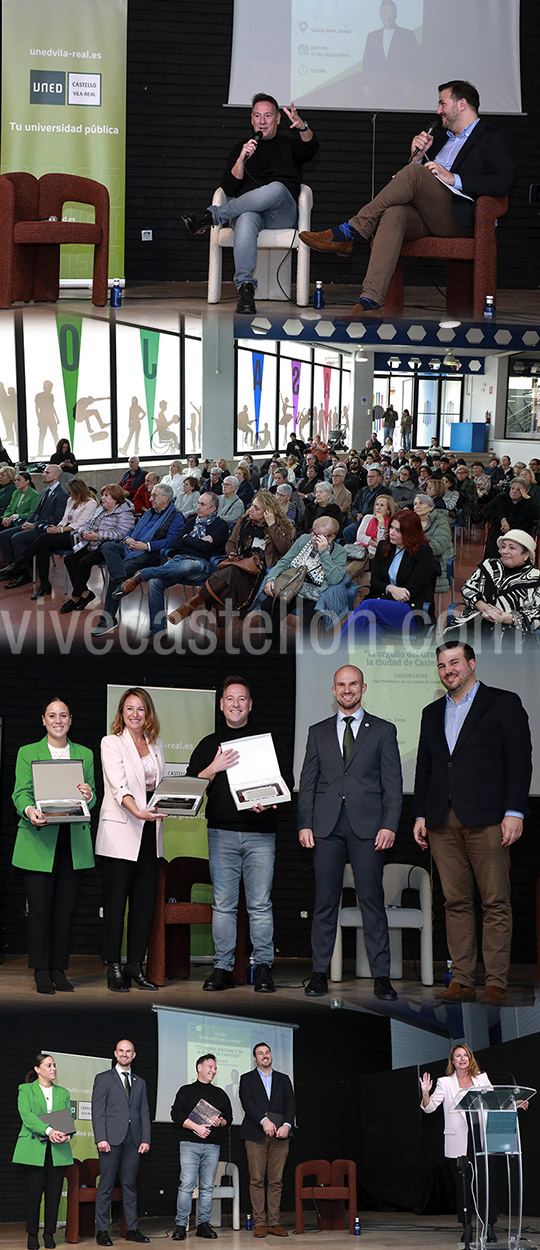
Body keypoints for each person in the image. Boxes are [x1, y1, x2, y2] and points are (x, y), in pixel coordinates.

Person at [299, 80, 516, 314]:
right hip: (427, 215)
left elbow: (502, 182)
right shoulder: (441, 139)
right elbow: (413, 183)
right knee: (394, 214)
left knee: (414, 172)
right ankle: (370, 301)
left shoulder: (493, 136)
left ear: (462, 104)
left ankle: (350, 230)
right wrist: (418, 157)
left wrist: (455, 178)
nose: (438, 110)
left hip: (459, 216)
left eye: (443, 103)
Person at [413, 642, 532, 1005]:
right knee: (455, 903)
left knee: (495, 901)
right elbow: (426, 769)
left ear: (471, 664)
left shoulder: (503, 703)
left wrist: (515, 812)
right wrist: (420, 814)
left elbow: (520, 761)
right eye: (441, 665)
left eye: (454, 663)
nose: (448, 670)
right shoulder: (431, 712)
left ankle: (495, 982)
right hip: (441, 821)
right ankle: (462, 979)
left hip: (489, 819)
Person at [297, 664, 402, 1000]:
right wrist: (304, 823)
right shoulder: (317, 731)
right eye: (340, 684)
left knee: (372, 901)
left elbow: (393, 785)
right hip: (326, 828)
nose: (347, 690)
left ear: (363, 687)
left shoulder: (383, 731)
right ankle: (318, 974)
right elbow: (307, 783)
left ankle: (381, 976)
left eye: (352, 684)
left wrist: (390, 824)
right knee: (325, 902)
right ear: (333, 690)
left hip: (369, 828)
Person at [187, 676, 292, 994]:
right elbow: (191, 787)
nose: (235, 704)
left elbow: (285, 782)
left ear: (250, 704)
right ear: (221, 704)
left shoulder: (268, 741)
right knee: (224, 906)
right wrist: (215, 765)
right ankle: (222, 968)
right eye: (230, 699)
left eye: (241, 699)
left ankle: (263, 968)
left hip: (261, 835)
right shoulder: (209, 744)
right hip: (221, 834)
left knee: (260, 905)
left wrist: (269, 802)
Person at [181, 93, 319, 313]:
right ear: (251, 120)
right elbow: (229, 188)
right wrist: (241, 160)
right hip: (250, 213)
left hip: (281, 213)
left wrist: (302, 126)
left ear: (277, 119)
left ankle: (212, 216)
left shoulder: (289, 145)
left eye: (267, 116)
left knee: (275, 188)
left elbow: (311, 148)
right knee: (245, 218)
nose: (262, 121)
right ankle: (245, 289)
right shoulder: (241, 148)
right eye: (257, 116)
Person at [11, 698, 95, 994]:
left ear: (71, 720)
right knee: (40, 910)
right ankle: (41, 970)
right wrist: (29, 810)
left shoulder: (84, 754)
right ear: (43, 720)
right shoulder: (27, 752)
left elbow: (92, 794)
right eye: (52, 716)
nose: (58, 720)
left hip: (72, 842)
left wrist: (88, 793)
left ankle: (59, 969)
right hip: (39, 840)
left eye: (63, 716)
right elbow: (20, 792)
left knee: (65, 910)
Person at [96, 688, 165, 992]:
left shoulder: (156, 743)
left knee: (144, 903)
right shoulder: (111, 743)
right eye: (129, 709)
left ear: (148, 713)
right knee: (116, 903)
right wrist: (138, 811)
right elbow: (117, 784)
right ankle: (113, 966)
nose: (135, 714)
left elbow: (160, 787)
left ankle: (135, 965)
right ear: (121, 713)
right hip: (121, 829)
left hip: (150, 832)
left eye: (140, 709)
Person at [167, 492, 293, 637]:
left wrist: (271, 526)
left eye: (256, 508)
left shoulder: (281, 527)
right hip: (239, 564)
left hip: (260, 573)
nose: (251, 509)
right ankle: (219, 633)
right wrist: (232, 554)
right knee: (223, 588)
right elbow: (230, 542)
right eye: (252, 505)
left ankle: (193, 604)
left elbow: (286, 550)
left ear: (268, 512)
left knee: (228, 576)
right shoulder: (244, 521)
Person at [115, 493, 229, 638]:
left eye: (202, 504)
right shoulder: (192, 521)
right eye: (198, 503)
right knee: (155, 582)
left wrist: (188, 539)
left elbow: (205, 550)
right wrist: (198, 541)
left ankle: (142, 574)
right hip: (178, 560)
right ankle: (158, 631)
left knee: (187, 566)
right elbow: (176, 544)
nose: (198, 507)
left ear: (213, 508)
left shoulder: (221, 526)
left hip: (201, 564)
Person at [420, 1045, 496, 1246]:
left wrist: (516, 1102)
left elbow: (495, 1102)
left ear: (470, 1059)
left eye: (465, 1055)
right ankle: (467, 1227)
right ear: (452, 1061)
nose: (462, 1059)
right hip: (459, 1139)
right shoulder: (445, 1082)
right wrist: (425, 1093)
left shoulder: (482, 1079)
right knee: (463, 1186)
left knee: (486, 1184)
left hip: (482, 1137)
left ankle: (489, 1226)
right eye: (458, 1056)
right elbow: (430, 1108)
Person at [89, 483, 178, 636]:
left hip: (150, 554)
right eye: (151, 496)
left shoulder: (176, 516)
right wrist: (128, 539)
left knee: (123, 566)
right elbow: (132, 529)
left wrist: (147, 546)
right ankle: (122, 580)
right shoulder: (149, 513)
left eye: (154, 496)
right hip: (132, 547)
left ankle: (108, 619)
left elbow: (171, 541)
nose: (150, 499)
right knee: (108, 546)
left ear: (165, 498)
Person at [92, 1039, 151, 1245]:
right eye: (121, 1051)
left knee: (129, 1185)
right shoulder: (103, 1078)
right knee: (106, 1186)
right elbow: (97, 1111)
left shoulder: (140, 1082)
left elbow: (144, 1112)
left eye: (129, 1051)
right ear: (115, 1054)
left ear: (133, 1055)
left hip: (133, 1141)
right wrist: (101, 1138)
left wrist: (146, 1139)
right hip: (110, 1140)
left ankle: (132, 1229)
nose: (125, 1054)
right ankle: (102, 1231)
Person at [341, 509, 436, 638]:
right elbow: (375, 581)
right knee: (370, 629)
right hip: (382, 605)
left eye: (398, 530)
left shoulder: (423, 552)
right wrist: (390, 588)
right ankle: (363, 658)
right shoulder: (383, 547)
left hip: (412, 611)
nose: (392, 533)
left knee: (368, 606)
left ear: (410, 532)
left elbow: (410, 591)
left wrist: (386, 593)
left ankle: (335, 652)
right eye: (391, 527)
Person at [13, 1053, 74, 1250]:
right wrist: (49, 1130)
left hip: (57, 1151)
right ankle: (32, 1234)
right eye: (48, 1065)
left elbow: (66, 1121)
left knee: (54, 1195)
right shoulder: (25, 1090)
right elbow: (27, 1116)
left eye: (54, 1065)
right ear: (38, 1069)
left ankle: (49, 1233)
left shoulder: (63, 1093)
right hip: (34, 1149)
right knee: (33, 1194)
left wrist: (66, 1136)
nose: (53, 1068)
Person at [170, 1054, 233, 1241]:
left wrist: (220, 1121)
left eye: (215, 1068)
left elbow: (228, 1119)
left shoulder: (220, 1093)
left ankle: (203, 1225)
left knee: (206, 1187)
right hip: (189, 1144)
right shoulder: (186, 1090)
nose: (213, 1070)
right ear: (199, 1067)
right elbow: (175, 1114)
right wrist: (196, 1127)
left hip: (212, 1146)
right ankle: (181, 1225)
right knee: (187, 1185)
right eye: (210, 1066)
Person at [3, 478, 98, 600]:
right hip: (64, 533)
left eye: (71, 492)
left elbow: (80, 524)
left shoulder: (90, 503)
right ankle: (44, 584)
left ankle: (19, 564)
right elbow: (64, 519)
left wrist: (60, 530)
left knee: (43, 539)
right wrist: (56, 527)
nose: (69, 494)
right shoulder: (70, 500)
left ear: (78, 491)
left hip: (77, 536)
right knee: (44, 547)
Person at [239, 1043, 295, 1239]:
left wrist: (287, 1124)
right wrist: (264, 1121)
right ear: (255, 1058)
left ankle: (274, 1222)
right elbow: (247, 1103)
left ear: (271, 1055)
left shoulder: (283, 1079)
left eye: (267, 1052)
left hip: (281, 1136)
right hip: (255, 1135)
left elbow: (291, 1103)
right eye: (260, 1053)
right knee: (256, 1180)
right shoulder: (246, 1079)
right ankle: (260, 1223)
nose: (265, 1056)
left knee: (276, 1181)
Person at [257, 515, 348, 636]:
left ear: (331, 538)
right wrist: (271, 578)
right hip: (291, 587)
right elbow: (284, 562)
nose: (314, 538)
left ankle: (305, 653)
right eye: (313, 533)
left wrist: (324, 553)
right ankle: (274, 647)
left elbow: (335, 579)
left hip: (314, 595)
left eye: (319, 536)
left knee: (308, 621)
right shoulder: (304, 539)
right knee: (268, 606)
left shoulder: (340, 552)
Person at [443, 530, 540, 640]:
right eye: (503, 547)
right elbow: (467, 587)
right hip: (474, 620)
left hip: (511, 632)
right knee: (451, 643)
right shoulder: (489, 565)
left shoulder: (535, 578)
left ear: (526, 554)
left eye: (512, 548)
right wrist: (481, 605)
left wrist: (509, 618)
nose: (505, 552)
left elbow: (537, 613)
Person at [61, 484, 134, 614]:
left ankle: (75, 597)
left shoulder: (125, 513)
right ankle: (86, 593)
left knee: (84, 562)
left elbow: (122, 533)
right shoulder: (101, 509)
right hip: (92, 542)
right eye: (103, 495)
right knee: (69, 559)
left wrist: (99, 535)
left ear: (116, 498)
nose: (103, 498)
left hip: (108, 547)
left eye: (106, 496)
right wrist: (83, 533)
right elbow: (87, 523)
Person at [0, 464, 68, 581]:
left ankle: (24, 573)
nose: (43, 475)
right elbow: (36, 512)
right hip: (35, 524)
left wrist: (34, 525)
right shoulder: (45, 491)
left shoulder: (62, 494)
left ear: (56, 476)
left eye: (47, 473)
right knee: (4, 535)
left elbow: (56, 518)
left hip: (46, 528)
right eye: (44, 472)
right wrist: (27, 523)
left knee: (17, 538)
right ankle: (12, 568)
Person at [481, 477, 540, 558]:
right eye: (512, 488)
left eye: (518, 489)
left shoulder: (530, 501)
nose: (514, 491)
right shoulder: (501, 498)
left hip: (520, 533)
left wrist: (527, 498)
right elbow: (486, 510)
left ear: (525, 491)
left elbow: (536, 515)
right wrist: (502, 519)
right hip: (500, 532)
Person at [344, 492, 395, 578]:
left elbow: (381, 543)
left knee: (350, 570)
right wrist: (375, 543)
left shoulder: (392, 524)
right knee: (341, 565)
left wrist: (381, 524)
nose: (378, 507)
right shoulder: (367, 517)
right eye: (377, 504)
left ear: (389, 510)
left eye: (382, 505)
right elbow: (359, 536)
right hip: (357, 549)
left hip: (371, 554)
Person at [413, 493, 453, 595]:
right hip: (414, 558)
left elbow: (437, 547)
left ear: (431, 507)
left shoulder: (441, 521)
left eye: (421, 503)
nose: (417, 506)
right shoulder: (411, 521)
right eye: (415, 504)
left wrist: (412, 548)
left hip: (435, 562)